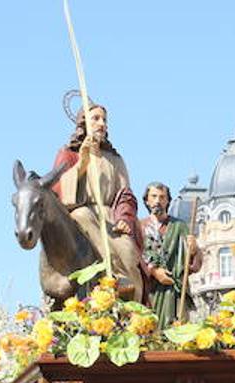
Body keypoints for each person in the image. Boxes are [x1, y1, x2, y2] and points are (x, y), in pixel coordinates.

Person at [49, 102, 143, 296]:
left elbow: (125, 194)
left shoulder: (115, 159)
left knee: (128, 251)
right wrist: (82, 163)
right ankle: (112, 271)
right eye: (96, 119)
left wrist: (124, 218)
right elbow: (58, 191)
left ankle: (133, 297)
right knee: (82, 214)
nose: (102, 124)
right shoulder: (69, 154)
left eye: (104, 120)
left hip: (110, 218)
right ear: (84, 124)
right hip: (80, 216)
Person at [139, 182, 201, 328]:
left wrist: (193, 250)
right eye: (153, 196)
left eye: (162, 197)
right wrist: (153, 271)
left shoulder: (179, 226)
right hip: (149, 289)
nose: (157, 201)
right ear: (147, 200)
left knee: (174, 326)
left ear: (167, 200)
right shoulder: (139, 226)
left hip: (173, 290)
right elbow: (135, 255)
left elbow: (191, 261)